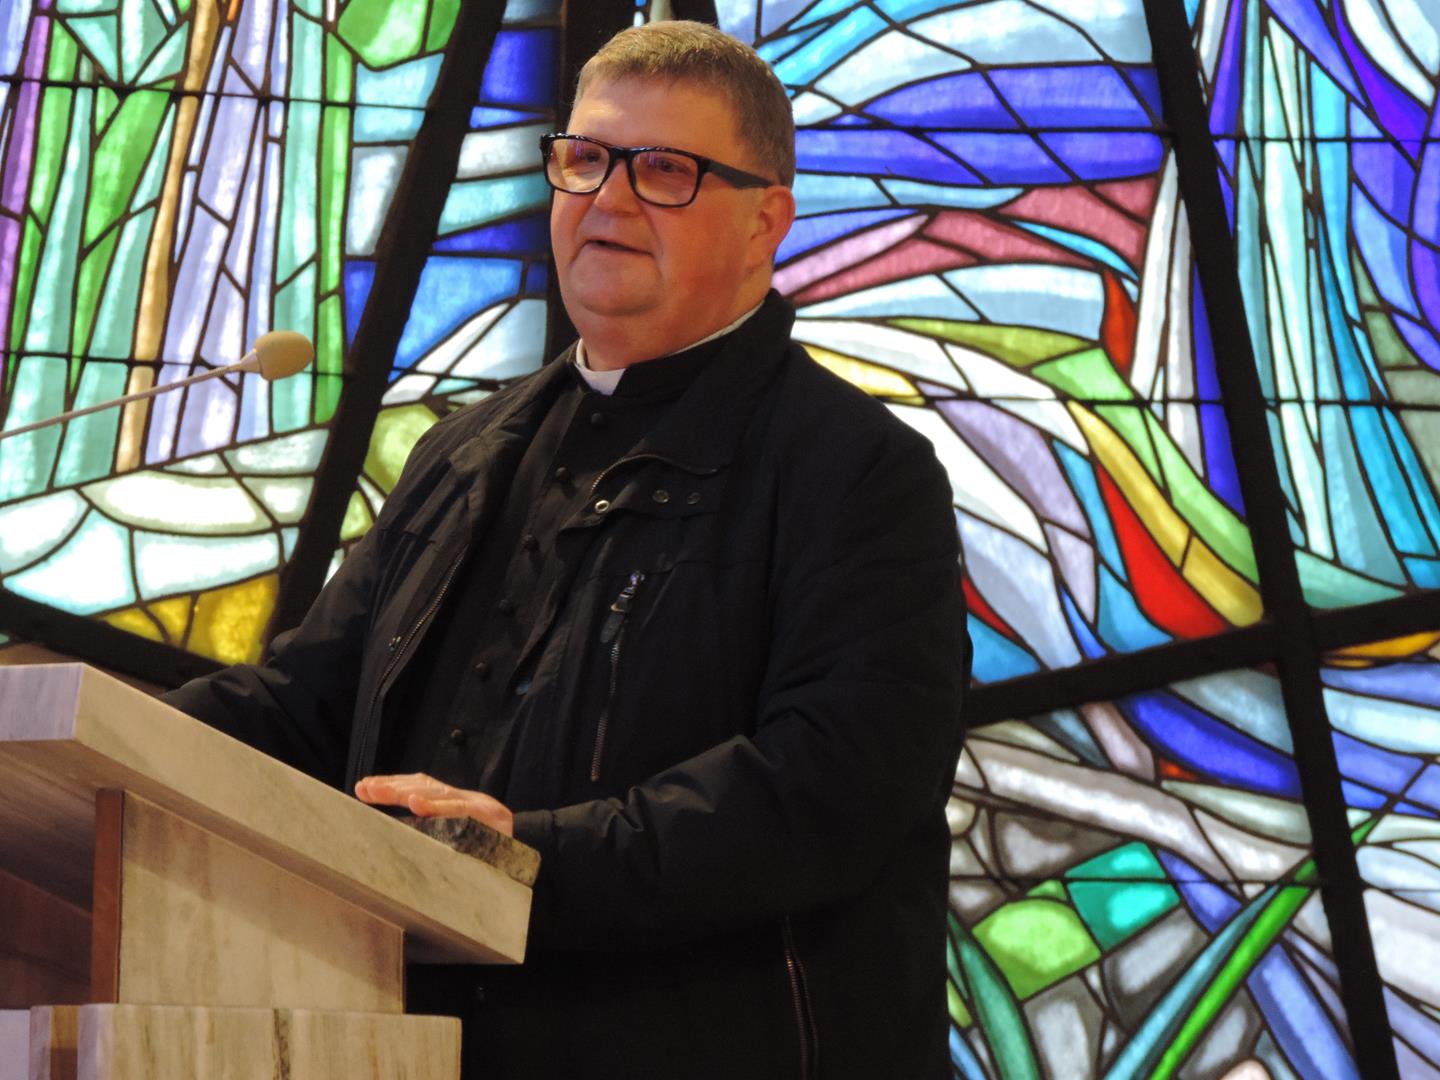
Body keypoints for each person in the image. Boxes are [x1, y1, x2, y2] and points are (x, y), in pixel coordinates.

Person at [164, 20, 968, 1080]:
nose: (609, 199)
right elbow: (303, 708)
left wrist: (524, 862)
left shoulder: (857, 472)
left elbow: (828, 788)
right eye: (585, 159)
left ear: (766, 221)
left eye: (665, 170)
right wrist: (72, 733)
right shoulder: (463, 451)